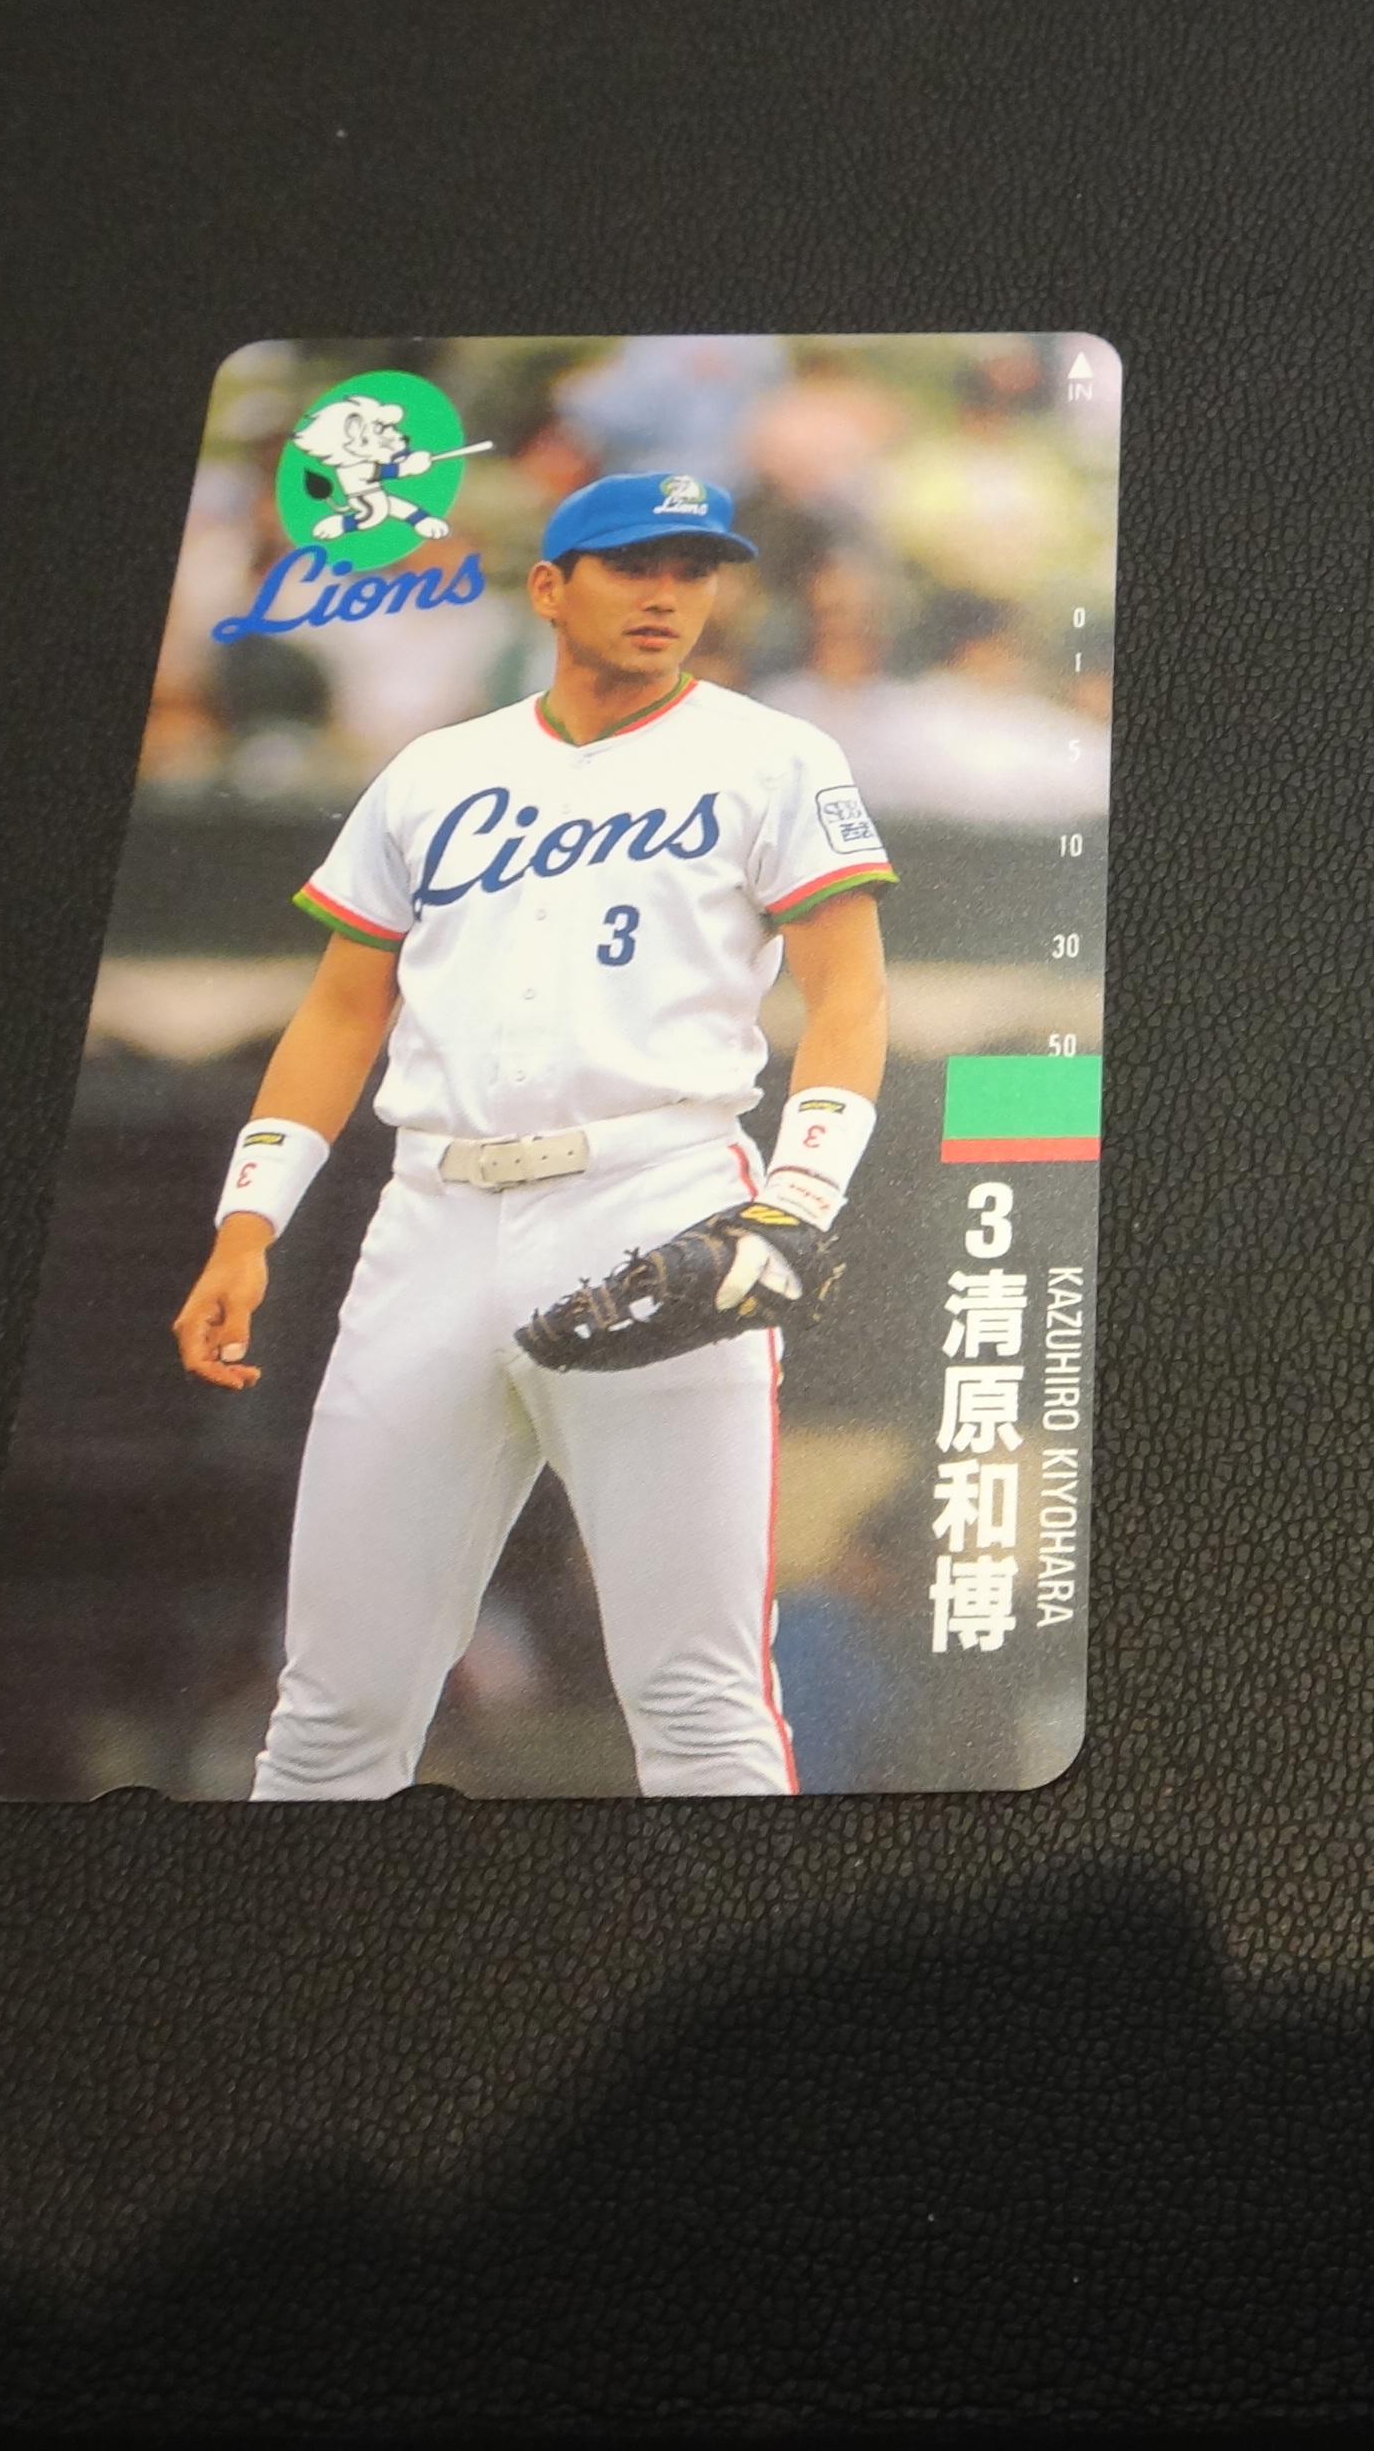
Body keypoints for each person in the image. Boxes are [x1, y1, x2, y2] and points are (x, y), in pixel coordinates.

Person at [169, 471, 902, 1793]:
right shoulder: (436, 771)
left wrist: (796, 1202)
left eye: (692, 568)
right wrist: (249, 1220)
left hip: (655, 1191)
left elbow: (849, 994)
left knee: (698, 1701)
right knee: (331, 1707)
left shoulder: (774, 756)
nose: (667, 592)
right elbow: (341, 1012)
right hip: (431, 1216)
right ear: (551, 588)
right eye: (633, 564)